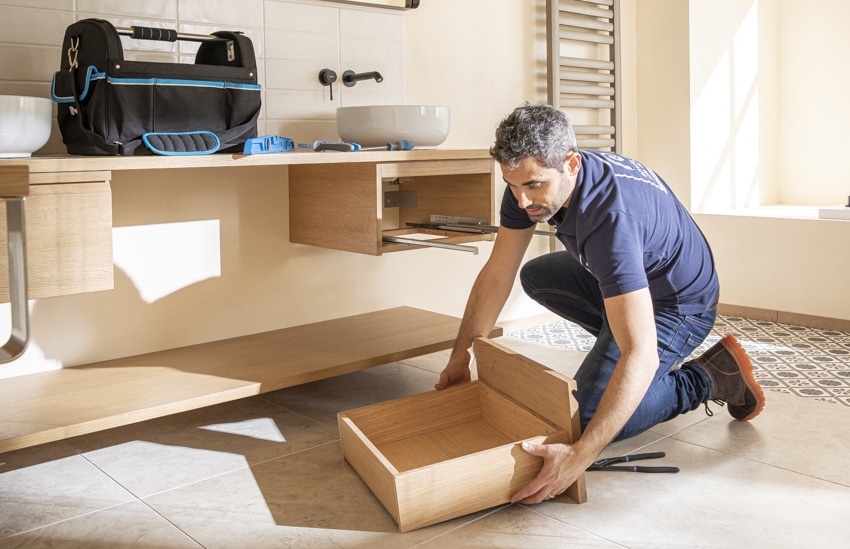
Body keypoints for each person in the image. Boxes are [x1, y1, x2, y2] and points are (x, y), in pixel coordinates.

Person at [435, 103, 766, 505]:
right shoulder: (530, 185)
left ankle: (709, 378)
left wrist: (580, 455)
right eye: (513, 185)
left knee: (586, 420)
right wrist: (461, 354)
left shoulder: (609, 219)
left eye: (535, 186)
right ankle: (622, 339)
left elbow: (639, 352)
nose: (523, 202)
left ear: (571, 163)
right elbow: (497, 273)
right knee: (537, 275)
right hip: (634, 281)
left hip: (679, 304)